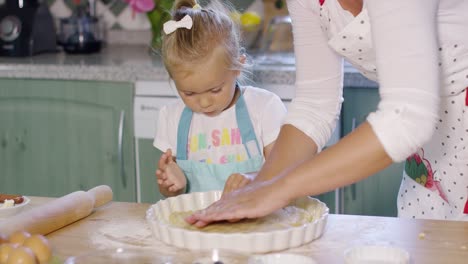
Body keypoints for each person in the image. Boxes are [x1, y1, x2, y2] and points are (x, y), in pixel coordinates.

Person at [186, 0, 468, 226]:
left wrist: (279, 189)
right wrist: (262, 184)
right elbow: (314, 105)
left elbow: (406, 117)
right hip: (431, 162)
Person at [153, 0, 287, 197]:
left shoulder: (263, 108)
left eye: (215, 90)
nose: (204, 103)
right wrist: (173, 185)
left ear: (238, 66)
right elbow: (172, 197)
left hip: (254, 225)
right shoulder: (171, 117)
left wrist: (254, 180)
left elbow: (282, 174)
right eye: (189, 93)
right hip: (196, 226)